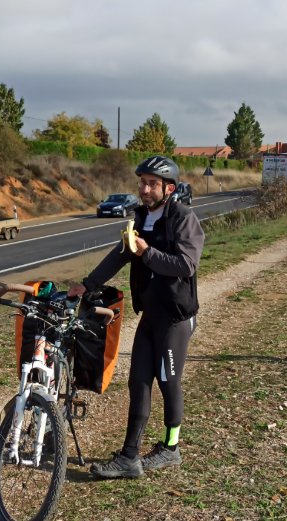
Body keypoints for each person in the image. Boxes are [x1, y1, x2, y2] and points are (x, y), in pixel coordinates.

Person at [68, 155, 205, 479]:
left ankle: (171, 448)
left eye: (151, 183)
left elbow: (186, 265)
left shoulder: (183, 219)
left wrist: (147, 253)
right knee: (138, 381)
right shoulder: (139, 218)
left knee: (168, 381)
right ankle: (129, 457)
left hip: (175, 318)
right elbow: (119, 256)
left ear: (168, 188)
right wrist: (86, 285)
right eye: (141, 182)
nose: (143, 189)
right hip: (150, 315)